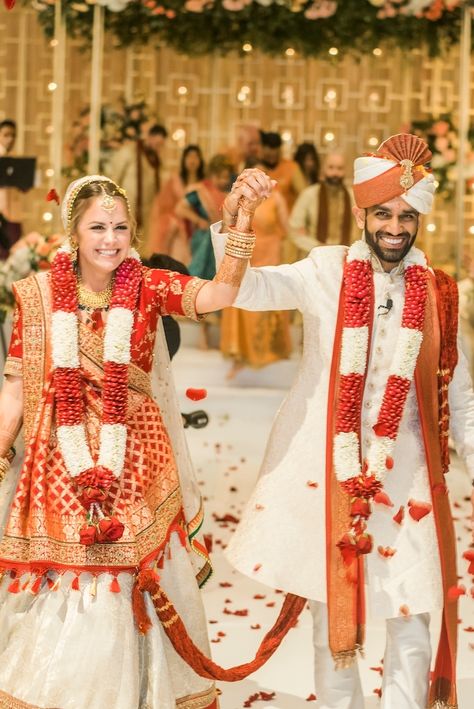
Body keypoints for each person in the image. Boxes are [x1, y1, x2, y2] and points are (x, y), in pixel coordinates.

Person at [211, 134, 474, 709]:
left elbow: (462, 396)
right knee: (335, 620)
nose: (396, 227)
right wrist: (236, 220)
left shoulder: (438, 292)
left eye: (408, 216)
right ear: (362, 213)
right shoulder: (323, 271)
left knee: (411, 611)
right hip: (328, 473)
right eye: (383, 213)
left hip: (406, 475)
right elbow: (247, 290)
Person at [0, 169, 273, 708]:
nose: (110, 239)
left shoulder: (148, 286)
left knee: (126, 572)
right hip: (62, 456)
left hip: (136, 455)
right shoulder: (35, 298)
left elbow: (220, 293)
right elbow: (14, 389)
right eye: (98, 227)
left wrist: (240, 220)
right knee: (74, 577)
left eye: (120, 227)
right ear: (73, 233)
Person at [220, 184, 292, 379]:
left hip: (270, 253)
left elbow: (286, 229)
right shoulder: (239, 198)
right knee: (239, 300)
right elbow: (227, 224)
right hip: (245, 252)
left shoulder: (276, 198)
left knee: (266, 301)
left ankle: (268, 354)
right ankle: (240, 356)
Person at [176, 154, 233, 282]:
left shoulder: (228, 194)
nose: (224, 181)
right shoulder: (200, 192)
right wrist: (198, 220)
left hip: (221, 239)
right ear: (212, 175)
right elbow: (180, 209)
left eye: (226, 177)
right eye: (220, 177)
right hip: (202, 239)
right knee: (198, 275)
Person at [108, 122, 168, 240]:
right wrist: (112, 201)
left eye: (161, 145)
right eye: (157, 143)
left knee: (142, 245)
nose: (158, 147)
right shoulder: (129, 151)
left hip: (147, 211)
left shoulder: (156, 160)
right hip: (127, 205)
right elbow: (115, 177)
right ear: (150, 137)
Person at [145, 144, 205, 261]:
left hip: (198, 228)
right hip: (177, 228)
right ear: (184, 160)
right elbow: (163, 205)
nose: (192, 160)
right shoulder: (175, 181)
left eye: (196, 157)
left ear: (200, 160)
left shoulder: (204, 183)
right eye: (189, 156)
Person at [289, 151, 354, 255]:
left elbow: (359, 230)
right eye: (331, 167)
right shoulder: (309, 194)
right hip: (313, 255)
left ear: (346, 171)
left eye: (339, 168)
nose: (335, 173)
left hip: (345, 256)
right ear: (323, 169)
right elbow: (294, 229)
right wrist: (319, 247)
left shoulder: (352, 197)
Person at [0, 120, 23, 259]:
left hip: (13, 214)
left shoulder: (17, 160)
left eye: (13, 135)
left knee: (12, 253)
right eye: (6, 134)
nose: (10, 139)